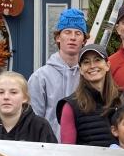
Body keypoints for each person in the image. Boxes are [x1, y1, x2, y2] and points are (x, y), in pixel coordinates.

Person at [29, 8, 87, 138]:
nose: (72, 37)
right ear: (58, 38)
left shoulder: (88, 76)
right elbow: (33, 120)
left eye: (78, 33)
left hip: (82, 146)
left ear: (84, 40)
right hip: (48, 145)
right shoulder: (40, 77)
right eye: (67, 32)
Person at [57, 43, 122, 146]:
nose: (92, 66)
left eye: (97, 60)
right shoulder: (70, 106)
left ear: (107, 65)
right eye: (86, 62)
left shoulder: (123, 99)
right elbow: (67, 150)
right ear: (81, 70)